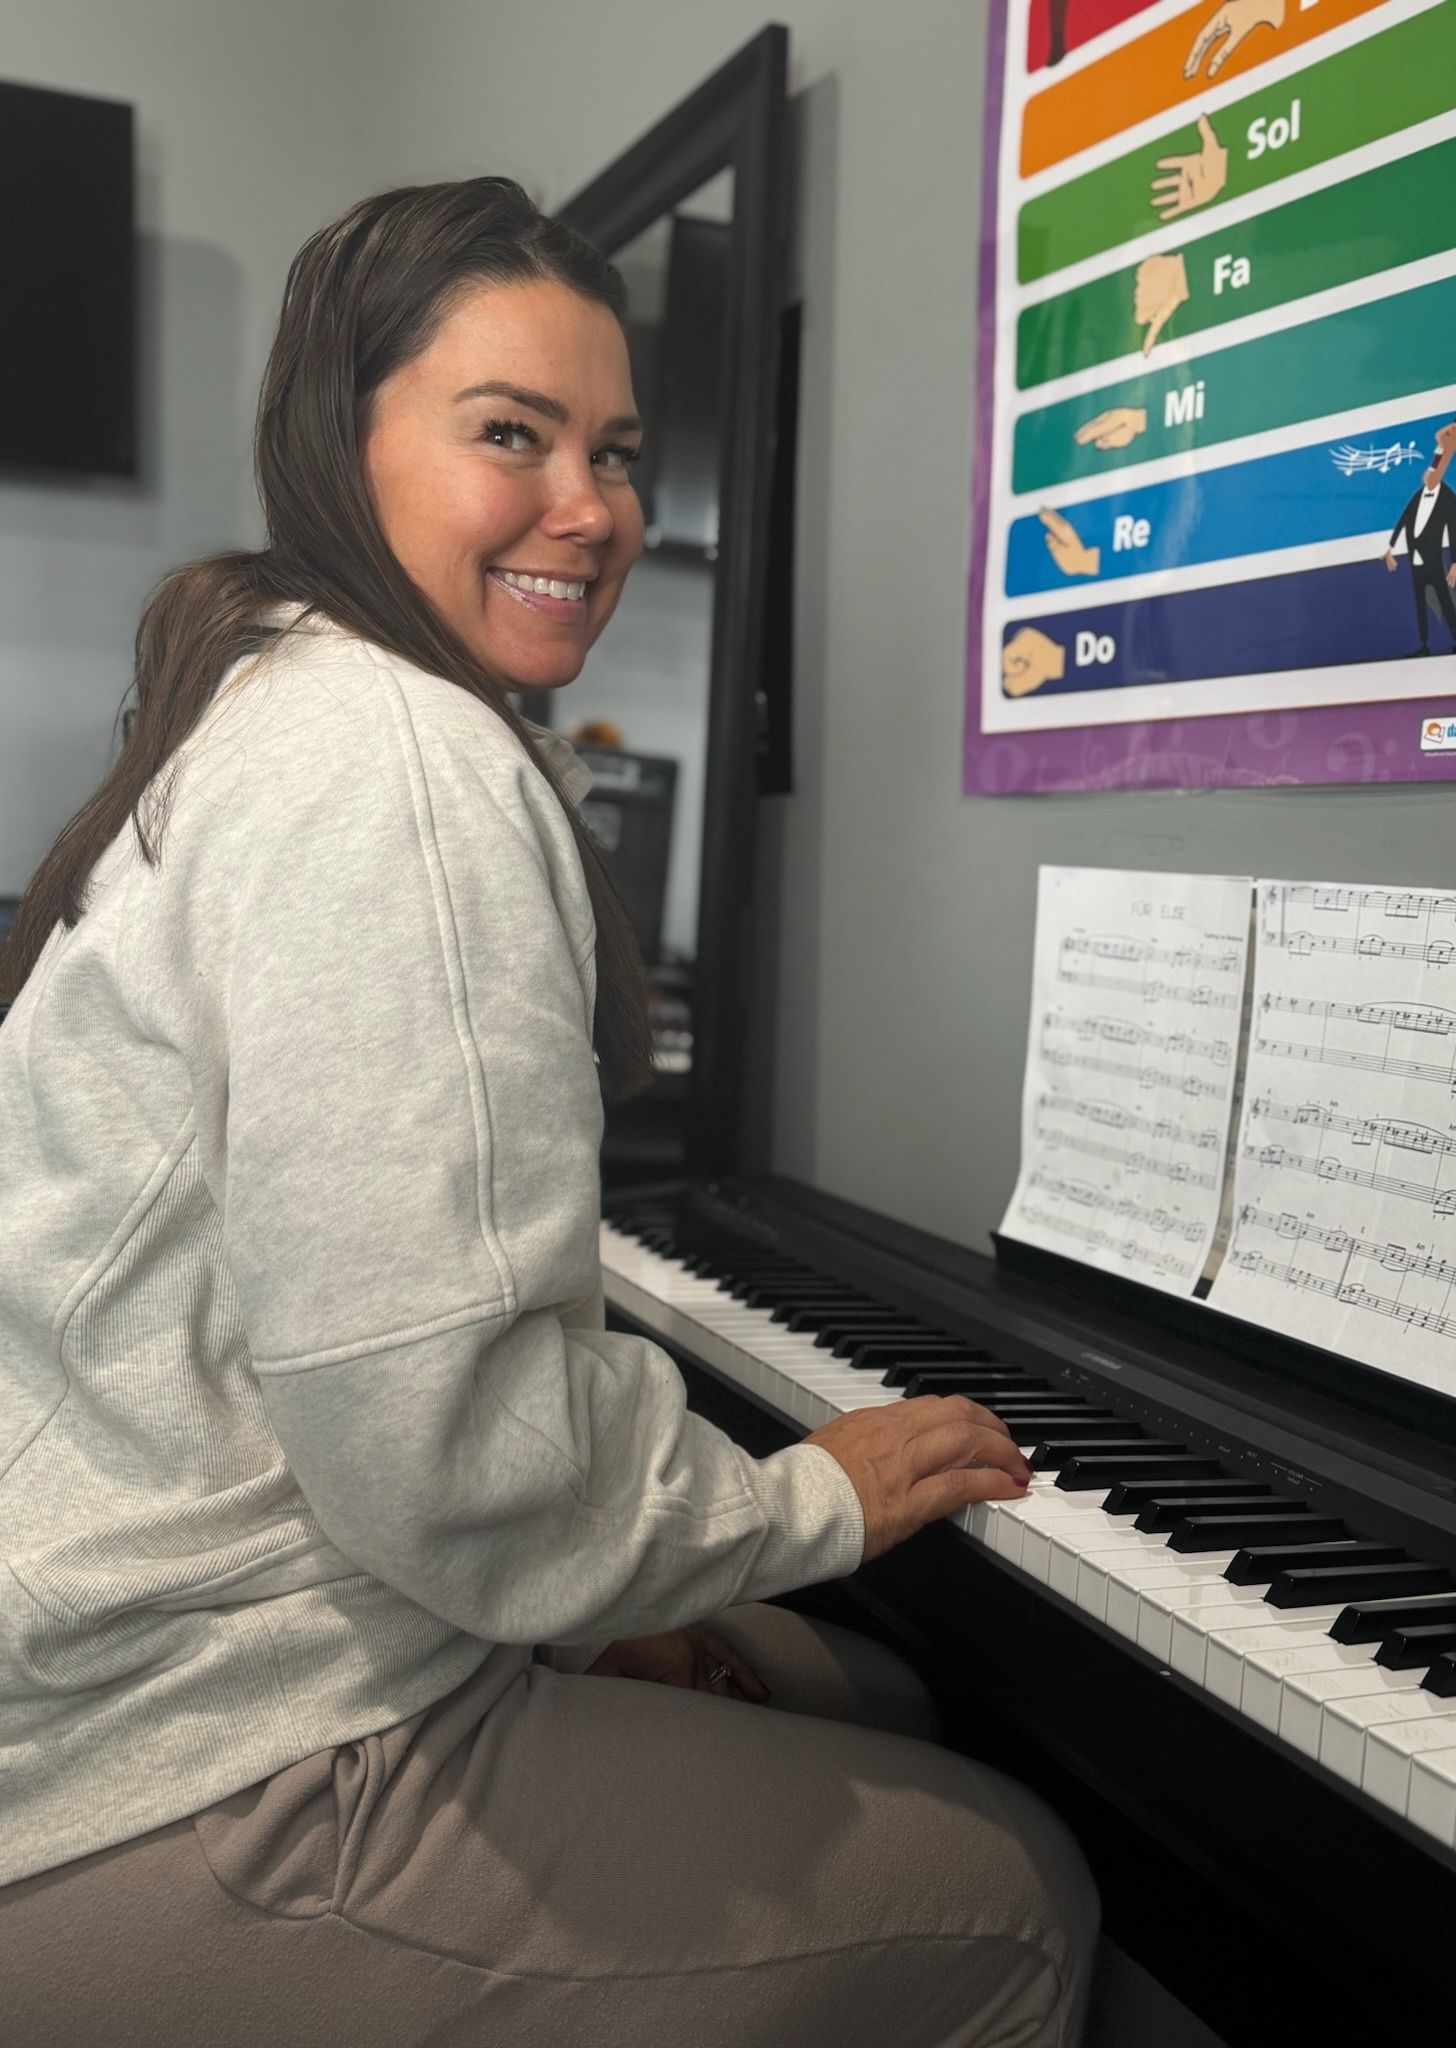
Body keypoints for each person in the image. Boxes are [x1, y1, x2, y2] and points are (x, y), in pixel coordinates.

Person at [0, 178, 1098, 2045]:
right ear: (342, 445)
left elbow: (358, 1356)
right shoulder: (397, 757)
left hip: (155, 1630)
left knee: (869, 1699)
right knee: (1017, 1894)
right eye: (509, 434)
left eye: (613, 451)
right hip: (173, 1756)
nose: (588, 511)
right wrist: (793, 1497)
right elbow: (435, 1443)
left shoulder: (273, 695)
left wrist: (589, 1593)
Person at [1383, 414, 1456, 655]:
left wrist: (1455, 560)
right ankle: (1423, 644)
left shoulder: (1448, 497)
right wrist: (1390, 548)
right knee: (1420, 604)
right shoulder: (1417, 495)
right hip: (1415, 561)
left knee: (1444, 599)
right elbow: (1402, 520)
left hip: (1433, 561)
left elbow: (1453, 529)